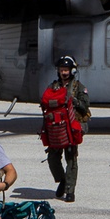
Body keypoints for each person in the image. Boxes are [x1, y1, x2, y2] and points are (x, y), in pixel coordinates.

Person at [43, 55, 90, 203]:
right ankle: (62, 180)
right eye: (61, 70)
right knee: (52, 158)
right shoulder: (53, 87)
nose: (64, 73)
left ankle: (70, 190)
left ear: (72, 71)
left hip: (72, 127)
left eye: (66, 70)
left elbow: (85, 106)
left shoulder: (79, 87)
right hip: (56, 129)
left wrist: (73, 100)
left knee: (71, 159)